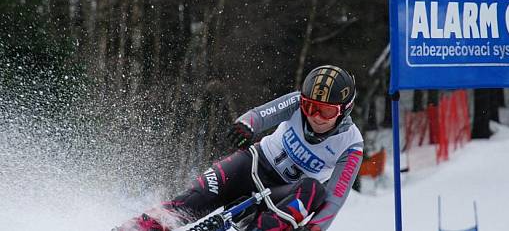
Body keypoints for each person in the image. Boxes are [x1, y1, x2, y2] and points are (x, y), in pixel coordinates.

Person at [115, 65, 364, 231]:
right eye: (310, 107)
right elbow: (260, 115)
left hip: (282, 195)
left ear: (344, 110)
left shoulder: (351, 145)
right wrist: (245, 126)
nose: (316, 117)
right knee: (194, 201)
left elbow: (335, 198)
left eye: (327, 111)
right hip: (253, 164)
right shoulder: (295, 102)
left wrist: (316, 227)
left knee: (314, 190)